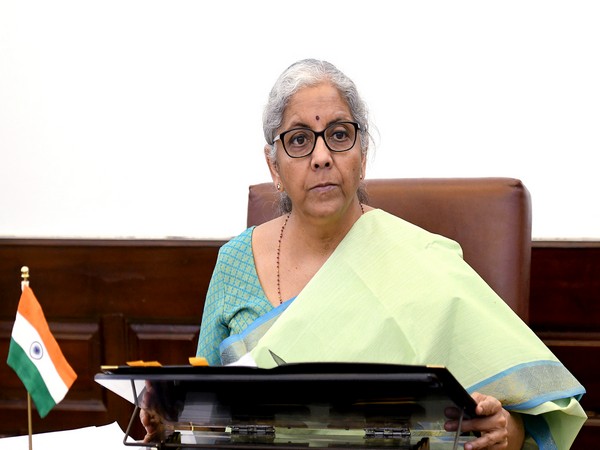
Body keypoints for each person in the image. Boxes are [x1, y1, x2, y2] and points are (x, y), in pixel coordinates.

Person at [147, 59, 586, 449]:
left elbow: (524, 422)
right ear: (273, 166)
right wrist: (164, 415)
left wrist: (508, 432)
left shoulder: (420, 261)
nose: (321, 156)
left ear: (362, 152)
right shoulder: (236, 264)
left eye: (339, 135)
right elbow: (196, 413)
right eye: (299, 140)